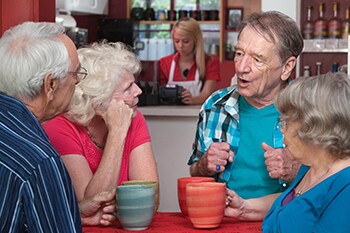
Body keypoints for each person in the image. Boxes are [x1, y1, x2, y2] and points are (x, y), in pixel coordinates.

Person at [0, 22, 116, 232]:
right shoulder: (40, 161)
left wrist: (71, 211)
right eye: (75, 74)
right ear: (50, 85)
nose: (78, 82)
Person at [188, 11, 303, 199]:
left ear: (287, 67)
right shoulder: (215, 106)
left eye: (257, 59)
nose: (241, 67)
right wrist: (204, 165)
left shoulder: (310, 111)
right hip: (224, 221)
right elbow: (195, 173)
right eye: (239, 53)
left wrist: (297, 170)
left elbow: (336, 182)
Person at [226, 72, 350, 232]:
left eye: (286, 121)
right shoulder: (311, 167)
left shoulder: (345, 186)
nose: (282, 130)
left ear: (314, 127)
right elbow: (293, 205)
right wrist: (244, 207)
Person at [43, 41, 159, 206]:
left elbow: (149, 199)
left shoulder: (133, 117)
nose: (138, 91)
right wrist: (117, 133)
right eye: (128, 88)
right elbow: (90, 204)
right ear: (99, 100)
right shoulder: (60, 128)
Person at [158, 17, 220, 105]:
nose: (180, 46)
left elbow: (206, 94)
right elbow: (160, 94)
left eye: (186, 41)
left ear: (196, 40)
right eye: (176, 41)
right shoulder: (164, 63)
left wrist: (193, 100)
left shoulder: (210, 62)